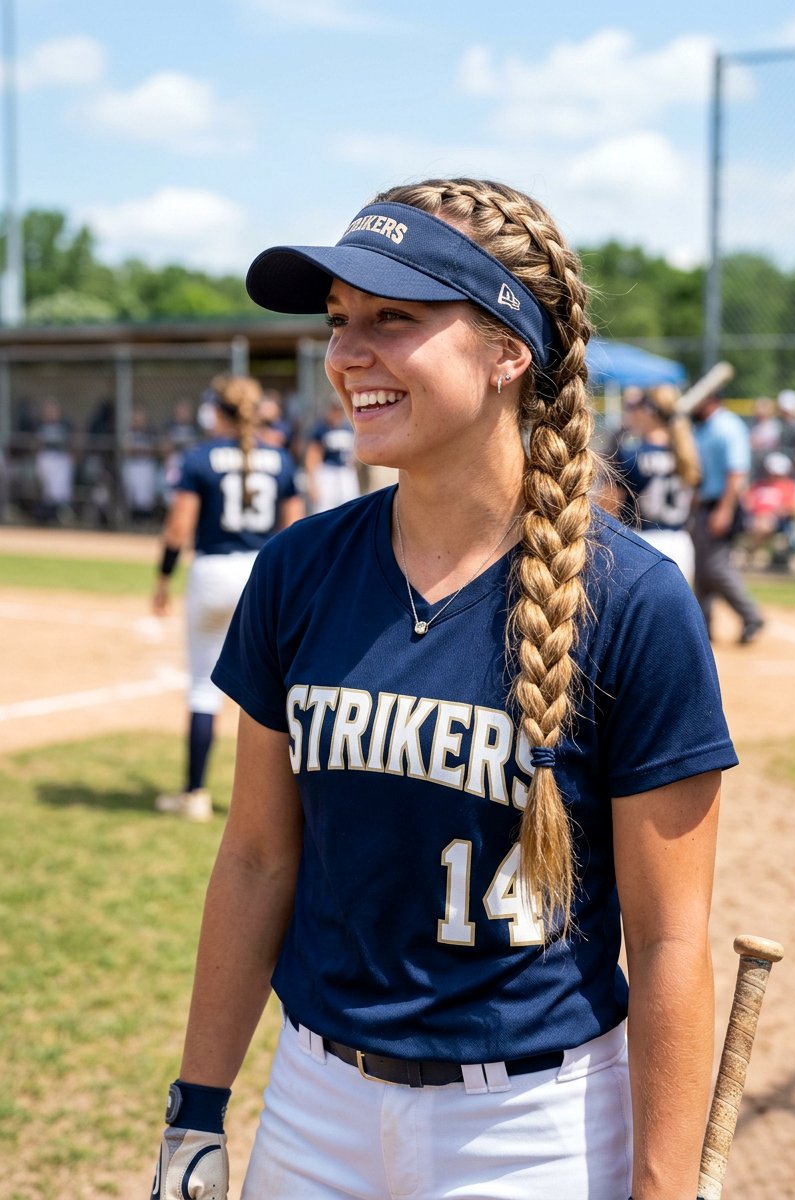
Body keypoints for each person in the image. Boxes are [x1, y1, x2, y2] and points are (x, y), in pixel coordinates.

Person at [151, 178, 737, 1200]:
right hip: (312, 1103)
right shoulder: (296, 570)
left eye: (392, 320)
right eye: (338, 323)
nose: (344, 356)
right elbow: (252, 860)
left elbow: (666, 938)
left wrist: (662, 1185)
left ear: (508, 351)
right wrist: (197, 1112)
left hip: (530, 1128)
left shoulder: (633, 601)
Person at [152, 374, 302, 821]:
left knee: (202, 687)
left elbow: (178, 528)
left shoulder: (199, 457)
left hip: (214, 572)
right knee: (281, 691)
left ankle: (195, 793)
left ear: (217, 411)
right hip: (263, 573)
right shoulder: (279, 457)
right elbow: (295, 530)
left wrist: (161, 579)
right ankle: (289, 803)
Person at [687, 384, 765, 644]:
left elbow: (737, 472)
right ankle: (703, 625)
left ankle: (751, 615)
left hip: (724, 503)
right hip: (705, 504)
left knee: (715, 567)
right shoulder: (702, 427)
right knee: (701, 569)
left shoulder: (727, 426)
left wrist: (725, 509)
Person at [613, 383, 702, 583]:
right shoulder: (688, 453)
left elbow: (610, 506)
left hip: (640, 542)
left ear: (649, 412)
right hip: (680, 543)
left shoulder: (632, 453)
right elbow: (695, 500)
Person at [740, 450, 795, 569]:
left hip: (780, 523)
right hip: (755, 519)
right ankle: (751, 556)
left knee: (764, 525)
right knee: (760, 524)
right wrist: (759, 514)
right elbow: (746, 502)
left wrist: (773, 514)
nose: (773, 475)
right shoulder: (758, 485)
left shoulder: (790, 487)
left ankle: (750, 555)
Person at [304, 394, 360, 512]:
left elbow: (354, 453)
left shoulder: (349, 427)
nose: (337, 413)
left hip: (346, 472)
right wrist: (312, 482)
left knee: (351, 509)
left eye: (340, 409)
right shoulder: (322, 428)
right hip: (327, 472)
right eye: (335, 409)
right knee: (324, 509)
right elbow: (313, 454)